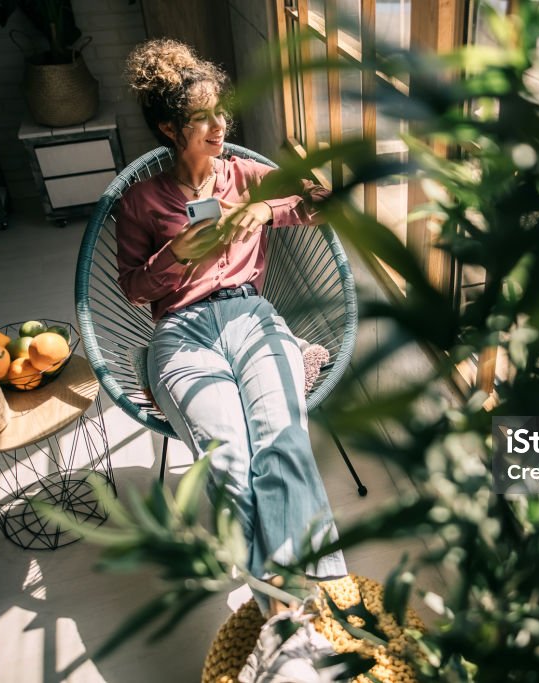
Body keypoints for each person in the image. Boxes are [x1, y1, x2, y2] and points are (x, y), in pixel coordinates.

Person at [116, 38, 347, 617]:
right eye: (202, 118)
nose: (219, 125)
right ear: (170, 128)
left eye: (222, 111)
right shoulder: (140, 202)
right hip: (181, 335)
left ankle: (312, 602)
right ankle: (282, 604)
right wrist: (175, 255)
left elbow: (322, 203)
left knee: (284, 443)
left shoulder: (245, 174)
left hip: (252, 318)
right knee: (229, 459)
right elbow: (132, 289)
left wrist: (265, 208)